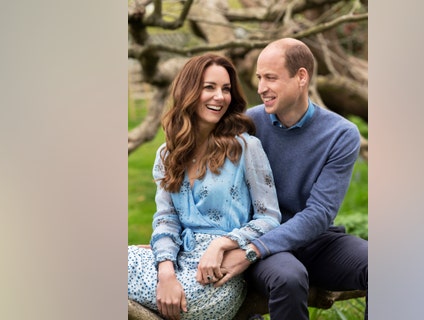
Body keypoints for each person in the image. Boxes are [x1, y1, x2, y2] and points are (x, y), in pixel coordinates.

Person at [215, 38, 368, 319]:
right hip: (261, 237)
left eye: (271, 78)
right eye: (259, 78)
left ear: (301, 77)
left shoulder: (340, 134)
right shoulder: (248, 125)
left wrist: (252, 251)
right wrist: (250, 247)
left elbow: (320, 213)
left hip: (313, 240)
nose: (261, 88)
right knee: (289, 278)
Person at [127, 53, 281, 320]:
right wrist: (165, 273)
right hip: (177, 259)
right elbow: (166, 219)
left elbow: (269, 217)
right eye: (209, 87)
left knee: (190, 301)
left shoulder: (246, 148)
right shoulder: (167, 153)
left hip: (220, 272)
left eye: (226, 89)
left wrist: (223, 243)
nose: (219, 97)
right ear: (188, 91)